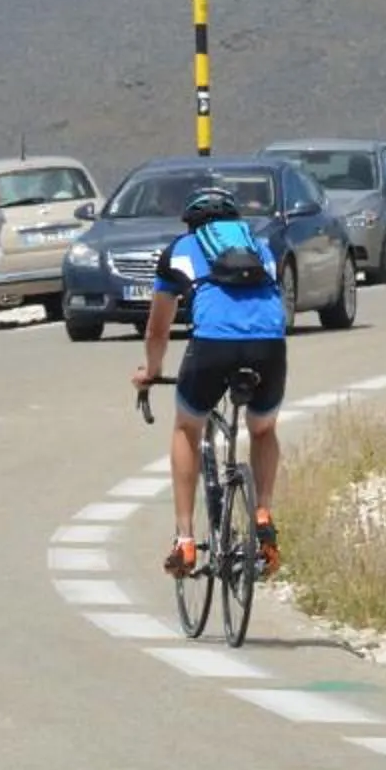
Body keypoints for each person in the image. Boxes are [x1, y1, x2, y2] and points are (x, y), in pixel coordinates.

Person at [135, 184, 286, 579]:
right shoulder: (262, 247)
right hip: (269, 345)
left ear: (192, 225)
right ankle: (263, 511)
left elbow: (157, 331)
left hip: (214, 346)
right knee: (263, 428)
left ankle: (185, 541)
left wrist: (150, 372)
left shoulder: (180, 251)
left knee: (187, 427)